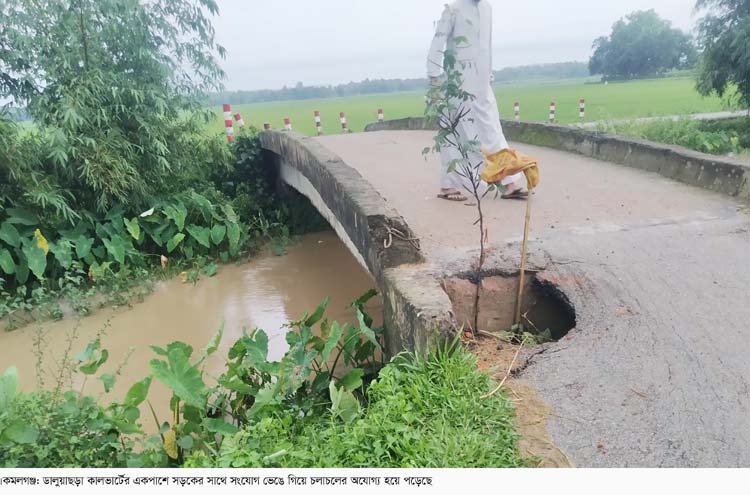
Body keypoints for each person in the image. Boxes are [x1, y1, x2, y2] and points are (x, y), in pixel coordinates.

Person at [428, 0, 528, 202]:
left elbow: (487, 46)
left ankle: (510, 182)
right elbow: (437, 45)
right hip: (456, 82)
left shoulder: (486, 9)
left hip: (481, 82)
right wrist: (434, 81)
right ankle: (448, 186)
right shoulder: (452, 9)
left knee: (492, 129)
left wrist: (488, 76)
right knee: (453, 132)